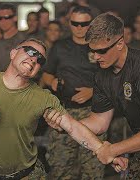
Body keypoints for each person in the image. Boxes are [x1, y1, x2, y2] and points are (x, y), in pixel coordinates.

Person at [0, 38, 128, 179]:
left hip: (28, 175)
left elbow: (72, 126)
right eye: (30, 51)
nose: (34, 59)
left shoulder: (42, 97)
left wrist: (103, 150)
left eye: (40, 59)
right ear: (13, 53)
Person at [46, 13, 140, 179]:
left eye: (101, 51)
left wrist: (113, 149)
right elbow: (99, 122)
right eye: (92, 51)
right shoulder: (102, 76)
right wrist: (67, 126)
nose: (95, 57)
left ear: (120, 43)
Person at [41, 6, 106, 179]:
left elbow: (113, 78)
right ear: (69, 23)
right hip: (64, 112)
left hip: (94, 113)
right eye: (75, 23)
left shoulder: (100, 46)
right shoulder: (60, 46)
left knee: (93, 167)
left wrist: (93, 91)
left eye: (84, 24)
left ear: (91, 24)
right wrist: (52, 81)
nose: (79, 28)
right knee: (60, 165)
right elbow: (46, 73)